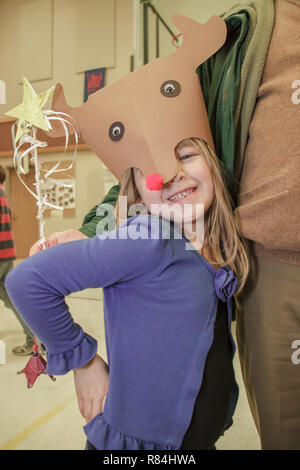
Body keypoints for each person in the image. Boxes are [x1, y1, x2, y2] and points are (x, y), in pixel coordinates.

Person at [6, 137, 249, 450]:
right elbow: (27, 280)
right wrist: (85, 363)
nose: (171, 174)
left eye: (186, 156)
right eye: (150, 166)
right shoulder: (148, 237)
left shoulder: (214, 247)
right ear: (136, 192)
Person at [0, 165, 35, 355]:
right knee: (11, 300)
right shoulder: (3, 193)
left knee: (12, 299)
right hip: (6, 254)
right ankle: (34, 339)